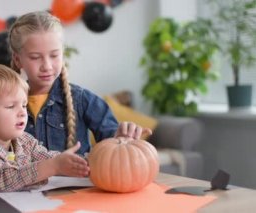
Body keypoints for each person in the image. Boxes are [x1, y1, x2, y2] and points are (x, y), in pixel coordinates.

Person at [8, 11, 152, 155]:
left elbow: (112, 146)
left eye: (54, 55)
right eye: (35, 57)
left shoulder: (82, 99)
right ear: (17, 59)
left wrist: (121, 138)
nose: (47, 65)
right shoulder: (4, 104)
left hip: (76, 179)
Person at [0, 64, 89, 192]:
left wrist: (86, 164)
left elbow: (50, 158)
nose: (22, 112)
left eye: (24, 105)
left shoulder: (24, 141)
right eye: (10, 106)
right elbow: (0, 180)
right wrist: (54, 166)